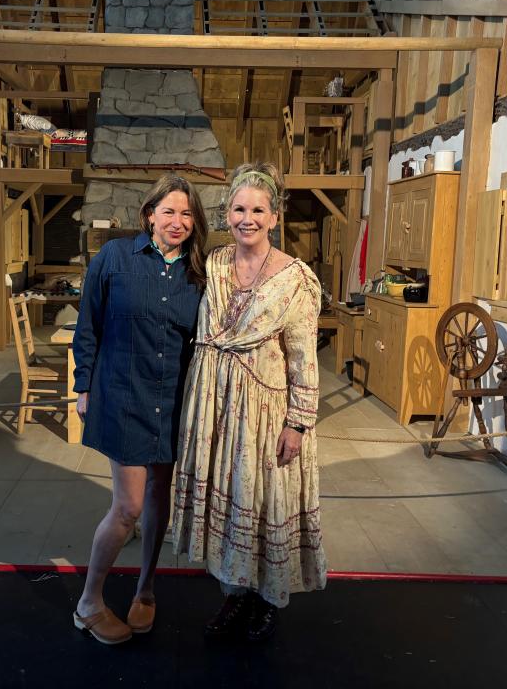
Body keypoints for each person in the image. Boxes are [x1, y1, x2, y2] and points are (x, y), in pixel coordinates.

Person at [171, 162, 327, 641]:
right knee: (230, 501)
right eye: (239, 208)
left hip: (263, 412)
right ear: (227, 213)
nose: (247, 218)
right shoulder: (214, 263)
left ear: (274, 216)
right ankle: (234, 596)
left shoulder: (296, 279)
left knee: (261, 501)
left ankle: (267, 601)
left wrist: (297, 424)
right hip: (213, 408)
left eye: (258, 209)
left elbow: (304, 358)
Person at [71, 174, 209, 645]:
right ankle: (88, 603)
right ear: (149, 214)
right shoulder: (113, 257)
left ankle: (146, 589)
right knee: (128, 506)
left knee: (158, 497)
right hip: (122, 396)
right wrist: (82, 384)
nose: (178, 221)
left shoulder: (199, 273)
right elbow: (86, 324)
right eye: (169, 211)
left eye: (187, 214)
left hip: (171, 401)